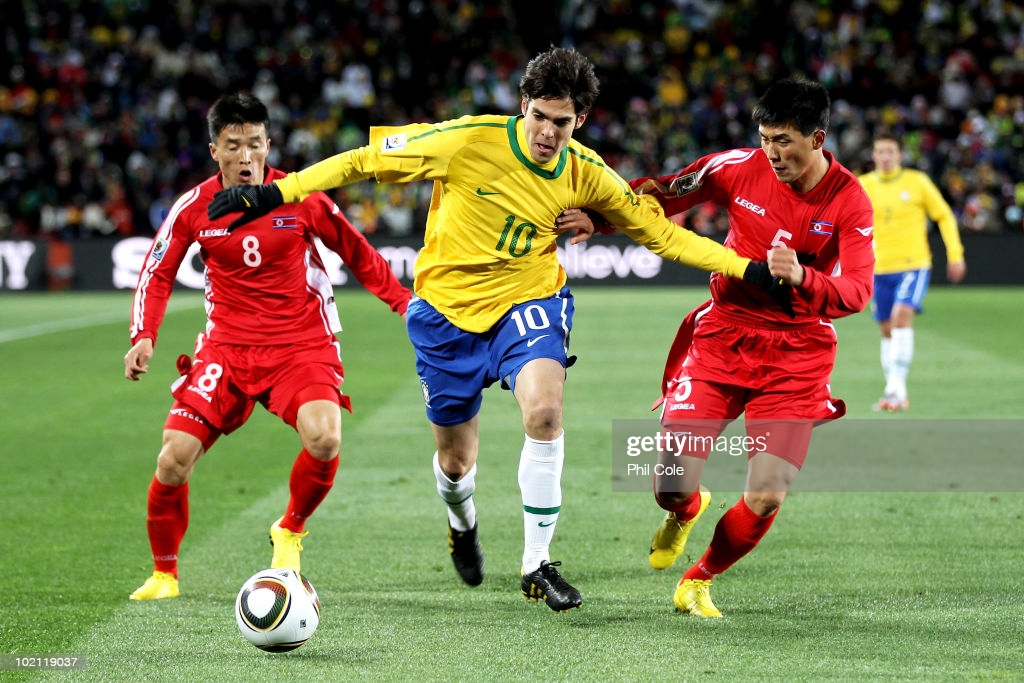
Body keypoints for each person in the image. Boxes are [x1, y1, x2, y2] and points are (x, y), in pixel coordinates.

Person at [208, 47, 777, 613]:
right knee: (456, 464)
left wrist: (746, 268)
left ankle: (537, 563)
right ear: (522, 105)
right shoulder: (466, 139)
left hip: (528, 301)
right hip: (445, 314)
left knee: (545, 413)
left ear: (578, 121)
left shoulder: (588, 172)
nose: (547, 133)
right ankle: (462, 523)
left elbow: (664, 236)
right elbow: (361, 161)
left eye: (562, 122)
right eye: (539, 117)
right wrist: (275, 192)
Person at [124, 93, 411, 600]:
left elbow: (355, 249)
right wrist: (143, 334)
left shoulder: (300, 195)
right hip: (226, 351)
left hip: (300, 345)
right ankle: (164, 574)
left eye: (255, 144)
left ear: (269, 145)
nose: (245, 157)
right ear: (214, 150)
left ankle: (290, 529)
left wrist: (404, 303)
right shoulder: (194, 208)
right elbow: (157, 269)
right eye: (233, 146)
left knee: (325, 437)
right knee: (173, 459)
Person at [631, 78, 875, 617]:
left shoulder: (850, 202)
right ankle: (684, 511)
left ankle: (699, 579)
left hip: (797, 354)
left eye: (784, 140)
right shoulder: (737, 166)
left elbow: (858, 291)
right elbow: (660, 193)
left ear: (817, 137)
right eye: (765, 138)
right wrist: (595, 218)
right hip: (725, 334)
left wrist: (805, 279)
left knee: (766, 496)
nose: (772, 152)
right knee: (672, 481)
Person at [858, 132, 966, 412]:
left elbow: (944, 215)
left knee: (900, 317)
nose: (885, 157)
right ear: (873, 156)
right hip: (877, 268)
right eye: (880, 151)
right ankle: (896, 391)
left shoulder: (917, 183)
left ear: (899, 155)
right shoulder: (862, 185)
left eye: (890, 151)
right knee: (886, 328)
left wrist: (956, 255)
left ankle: (894, 390)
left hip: (913, 264)